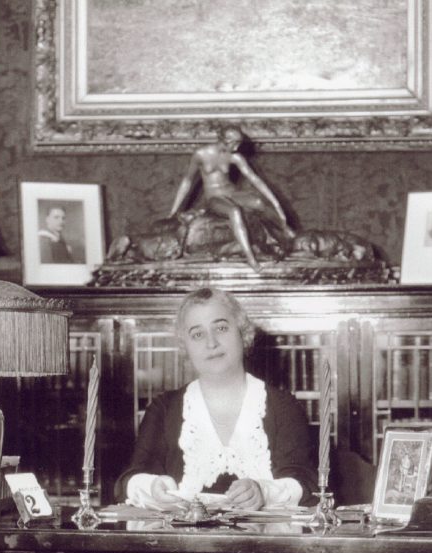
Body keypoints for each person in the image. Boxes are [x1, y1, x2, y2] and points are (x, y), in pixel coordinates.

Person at [114, 287, 317, 511]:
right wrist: (152, 487)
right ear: (185, 346)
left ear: (243, 333)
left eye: (221, 327)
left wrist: (263, 491)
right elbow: (128, 482)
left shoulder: (283, 407)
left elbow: (307, 484)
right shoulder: (164, 409)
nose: (211, 343)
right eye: (197, 334)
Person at [169, 126, 295, 271]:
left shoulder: (234, 157)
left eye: (239, 143)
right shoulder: (201, 154)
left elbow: (255, 180)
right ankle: (250, 258)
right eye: (233, 143)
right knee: (234, 211)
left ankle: (284, 229)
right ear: (222, 139)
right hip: (214, 197)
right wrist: (174, 210)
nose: (236, 147)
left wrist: (278, 207)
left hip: (232, 193)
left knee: (259, 202)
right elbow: (187, 181)